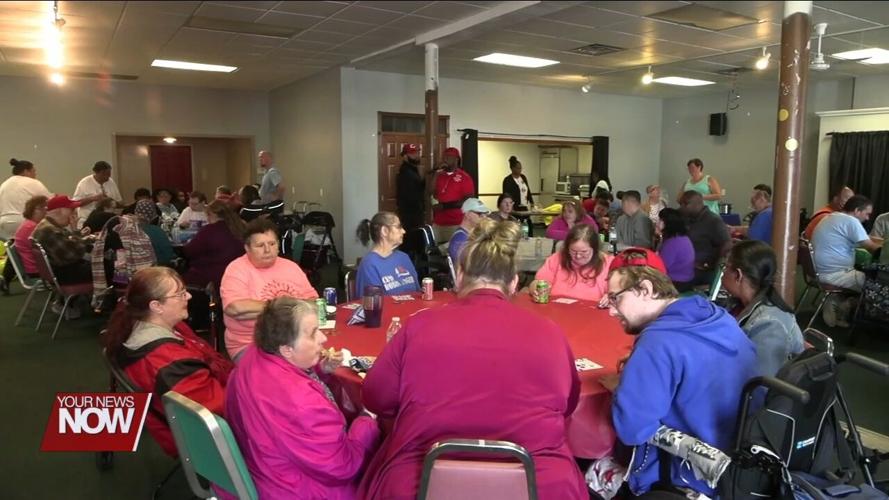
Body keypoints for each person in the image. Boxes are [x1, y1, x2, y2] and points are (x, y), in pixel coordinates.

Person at [359, 219, 587, 500]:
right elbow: (568, 405)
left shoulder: (418, 326)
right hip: (540, 482)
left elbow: (375, 397)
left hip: (422, 478)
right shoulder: (549, 332)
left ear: (459, 276)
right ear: (514, 282)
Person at [601, 248, 757, 498]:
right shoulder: (717, 316)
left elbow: (632, 430)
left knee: (592, 469)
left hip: (686, 476)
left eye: (615, 298)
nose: (611, 310)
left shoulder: (656, 342)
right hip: (741, 466)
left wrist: (623, 388)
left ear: (646, 289)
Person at [225, 297, 380, 499]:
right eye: (313, 333)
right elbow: (344, 467)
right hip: (294, 490)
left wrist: (320, 369)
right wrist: (367, 418)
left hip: (257, 470)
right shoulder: (304, 404)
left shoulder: (253, 354)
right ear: (287, 349)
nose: (323, 338)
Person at [104, 267, 233, 457]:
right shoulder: (170, 363)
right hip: (209, 436)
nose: (188, 296)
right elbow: (217, 411)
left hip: (205, 404)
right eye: (180, 294)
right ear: (156, 306)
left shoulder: (139, 325)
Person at [221, 218, 317, 361]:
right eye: (260, 245)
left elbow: (314, 303)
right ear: (247, 248)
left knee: (329, 361)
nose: (267, 250)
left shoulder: (291, 267)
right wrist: (290, 306)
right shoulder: (236, 269)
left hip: (295, 339)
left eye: (272, 244)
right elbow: (236, 309)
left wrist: (262, 310)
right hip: (251, 344)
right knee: (289, 370)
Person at [722, 241, 804, 376]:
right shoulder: (738, 304)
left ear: (738, 275)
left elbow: (762, 381)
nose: (723, 273)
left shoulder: (770, 324)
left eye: (725, 267)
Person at [811, 195, 881, 327]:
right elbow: (871, 248)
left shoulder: (831, 217)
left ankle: (835, 301)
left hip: (818, 271)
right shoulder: (851, 221)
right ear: (857, 210)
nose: (867, 218)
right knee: (879, 286)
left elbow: (862, 239)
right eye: (867, 214)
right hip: (836, 274)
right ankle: (845, 306)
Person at [529, 223, 612, 302]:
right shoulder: (556, 258)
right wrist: (535, 289)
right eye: (573, 251)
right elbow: (538, 282)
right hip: (556, 309)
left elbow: (616, 293)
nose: (578, 256)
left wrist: (611, 297)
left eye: (584, 252)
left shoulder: (609, 263)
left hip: (592, 310)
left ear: (595, 249)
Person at [355, 212, 420, 298]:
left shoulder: (404, 257)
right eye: (398, 227)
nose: (404, 231)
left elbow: (418, 293)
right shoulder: (369, 264)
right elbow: (373, 303)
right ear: (384, 231)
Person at [183, 200, 246, 287]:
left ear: (212, 214)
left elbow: (189, 251)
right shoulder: (240, 227)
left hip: (212, 275)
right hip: (238, 274)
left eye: (207, 215)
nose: (207, 219)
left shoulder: (209, 230)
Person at [32, 195, 92, 284]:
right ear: (59, 211)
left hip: (62, 271)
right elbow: (74, 254)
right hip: (67, 275)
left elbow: (70, 244)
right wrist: (75, 231)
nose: (74, 214)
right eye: (72, 210)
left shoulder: (47, 225)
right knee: (108, 266)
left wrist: (78, 234)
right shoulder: (50, 231)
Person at [679, 190, 731, 285]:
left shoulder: (713, 221)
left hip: (702, 270)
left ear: (697, 204)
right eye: (681, 204)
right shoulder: (686, 217)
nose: (682, 207)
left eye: (685, 204)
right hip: (686, 266)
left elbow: (726, 244)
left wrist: (712, 265)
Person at [0, 158, 52, 240]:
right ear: (26, 171)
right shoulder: (33, 182)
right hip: (24, 221)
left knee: (13, 246)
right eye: (33, 171)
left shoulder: (4, 184)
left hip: (5, 222)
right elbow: (49, 201)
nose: (35, 174)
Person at [432, 147, 474, 243]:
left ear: (456, 159)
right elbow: (430, 192)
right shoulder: (439, 175)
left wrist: (445, 206)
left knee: (453, 249)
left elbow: (468, 200)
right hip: (438, 222)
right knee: (434, 250)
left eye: (449, 157)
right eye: (444, 157)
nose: (445, 159)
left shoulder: (464, 177)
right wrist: (435, 174)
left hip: (456, 223)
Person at [656, 208, 695, 292]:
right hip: (686, 281)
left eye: (660, 220)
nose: (657, 223)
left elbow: (660, 267)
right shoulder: (682, 238)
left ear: (668, 223)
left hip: (676, 283)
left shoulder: (672, 242)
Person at [73, 160, 122, 227]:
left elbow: (119, 202)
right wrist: (93, 198)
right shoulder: (84, 183)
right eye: (105, 174)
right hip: (88, 221)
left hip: (107, 221)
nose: (108, 177)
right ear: (97, 173)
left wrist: (109, 200)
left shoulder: (111, 182)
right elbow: (75, 203)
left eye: (109, 174)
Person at [11, 195, 48, 279]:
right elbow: (47, 248)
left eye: (46, 207)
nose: (45, 211)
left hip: (35, 267)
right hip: (37, 270)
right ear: (31, 210)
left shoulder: (29, 224)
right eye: (41, 208)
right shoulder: (31, 227)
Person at [447, 198, 491, 263]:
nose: (484, 217)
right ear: (468, 214)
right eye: (480, 214)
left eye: (485, 214)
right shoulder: (460, 239)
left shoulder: (470, 234)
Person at [134, 200, 175, 266]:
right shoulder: (156, 231)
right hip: (155, 268)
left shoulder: (126, 230)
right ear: (153, 215)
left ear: (135, 212)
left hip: (132, 269)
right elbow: (168, 255)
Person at [395, 143, 425, 232]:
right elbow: (410, 195)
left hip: (415, 212)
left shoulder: (413, 169)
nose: (416, 156)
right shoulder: (405, 172)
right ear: (405, 156)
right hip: (410, 215)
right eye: (412, 154)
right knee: (411, 236)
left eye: (417, 153)